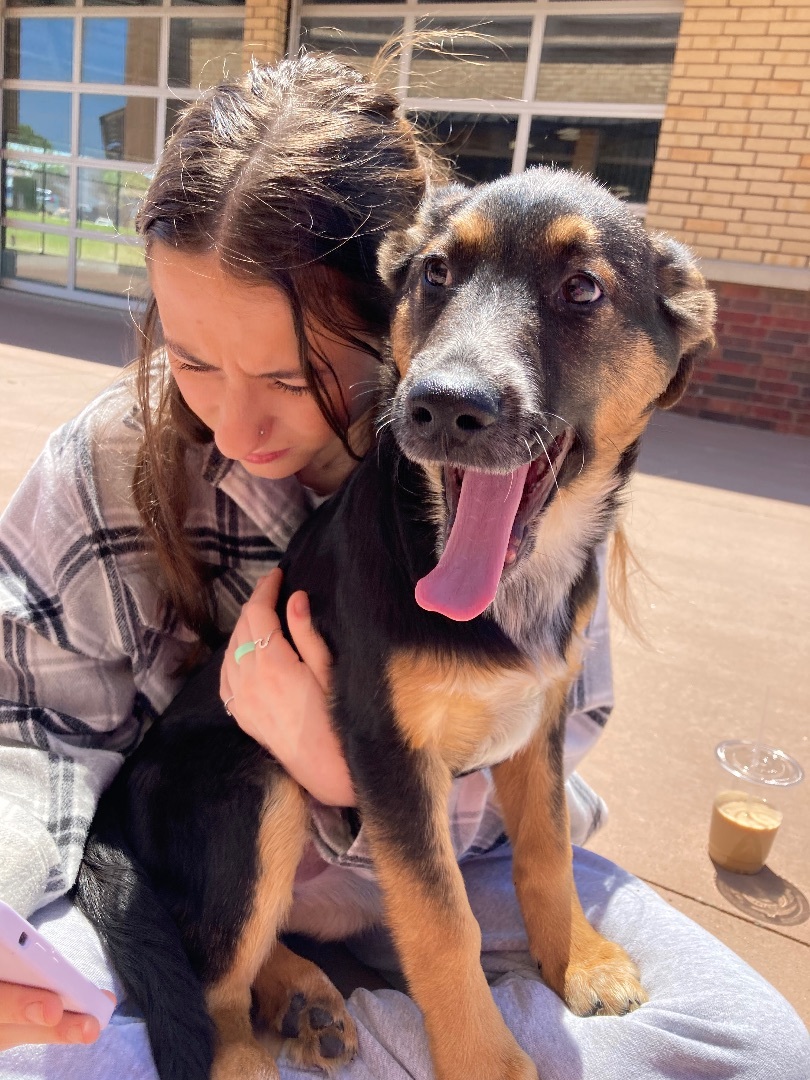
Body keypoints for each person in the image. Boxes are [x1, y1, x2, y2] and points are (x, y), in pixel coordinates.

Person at [0, 51, 807, 1080]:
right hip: (214, 860)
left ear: (384, 328)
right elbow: (32, 729)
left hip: (453, 862)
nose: (237, 424)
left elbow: (553, 724)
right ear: (421, 299)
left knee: (760, 1047)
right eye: (190, 361)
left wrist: (342, 771)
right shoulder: (105, 464)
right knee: (43, 1054)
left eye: (292, 376)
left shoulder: (540, 496)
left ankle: (320, 1031)